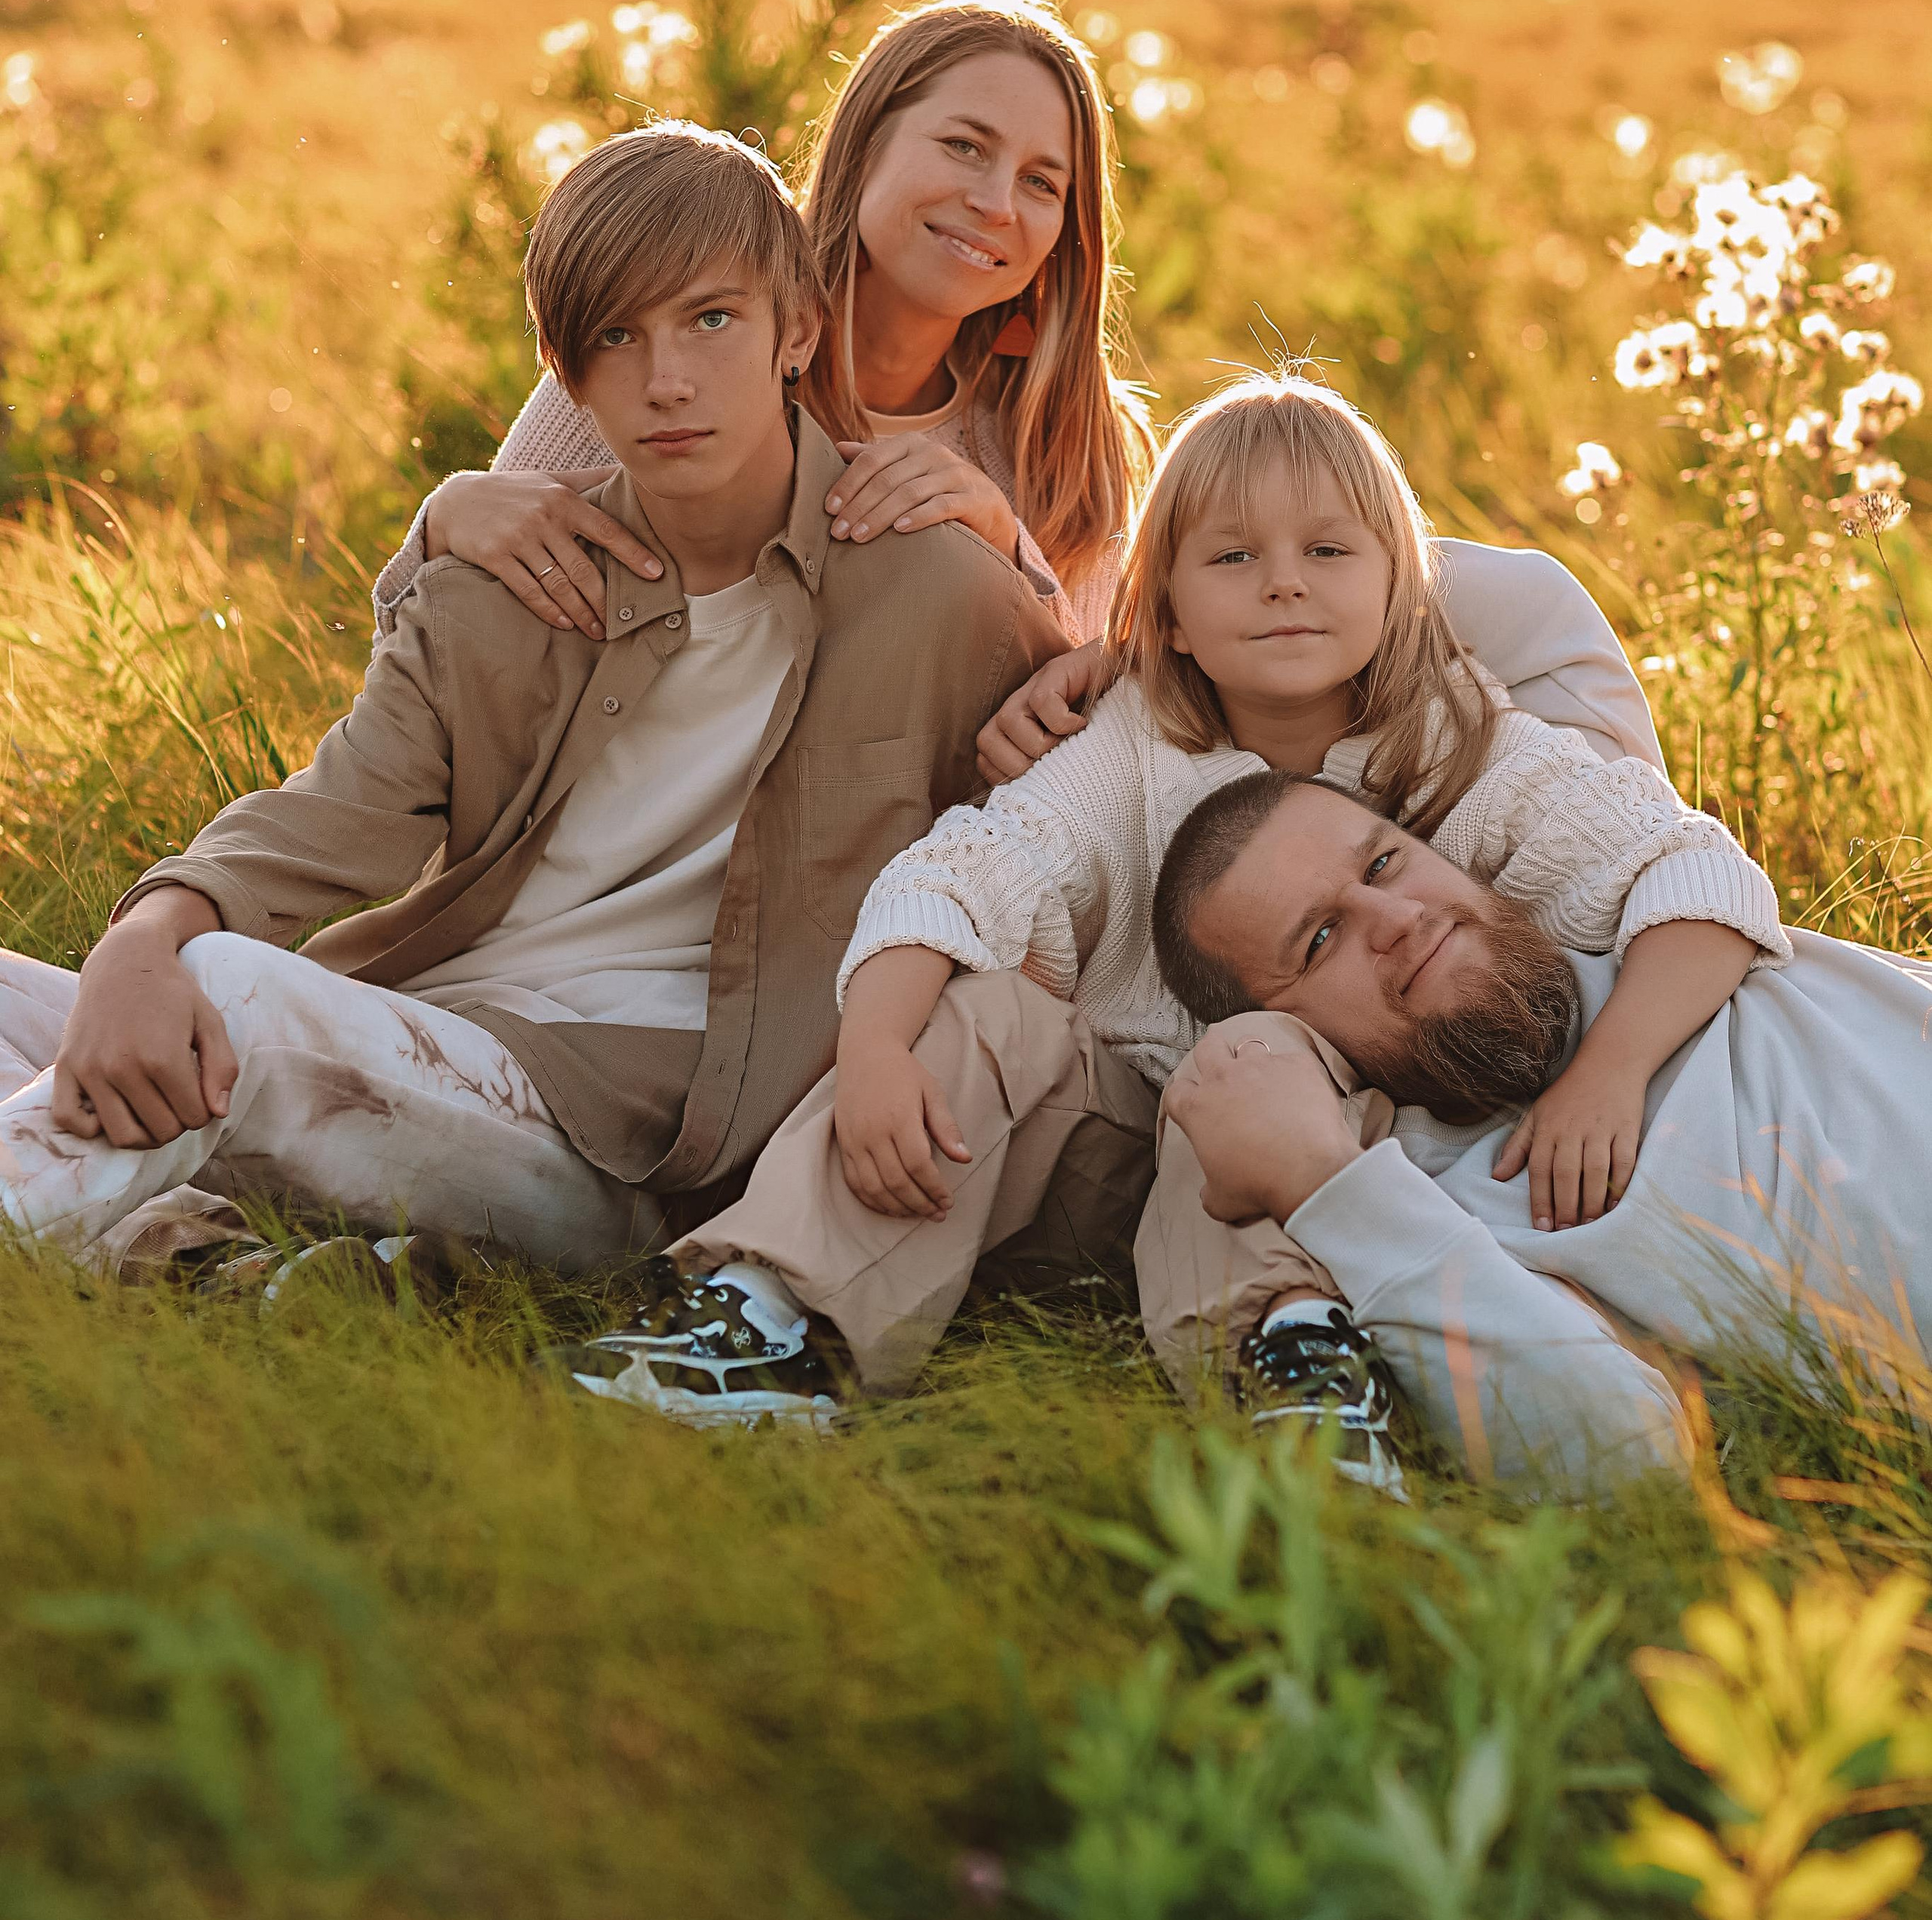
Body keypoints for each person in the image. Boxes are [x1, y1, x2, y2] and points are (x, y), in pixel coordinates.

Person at [578, 372, 1780, 1429]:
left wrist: (1606, 1072)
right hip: (1107, 1163)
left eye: (1327, 551)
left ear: (1400, 579)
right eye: (1233, 558)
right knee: (987, 1012)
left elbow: (1698, 875)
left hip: (1341, 1169)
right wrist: (881, 1041)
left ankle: (1297, 1369)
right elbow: (973, 872)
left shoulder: (1462, 743)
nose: (1283, 589)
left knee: (1259, 1061)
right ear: (1168, 610)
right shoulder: (1134, 741)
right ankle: (763, 1316)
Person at [0, 123, 1064, 1303]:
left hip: (637, 1137)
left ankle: (158, 1234)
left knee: (232, 995)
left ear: (797, 331)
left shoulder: (942, 591)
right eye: (619, 335)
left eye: (712, 320)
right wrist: (142, 941)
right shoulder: (511, 576)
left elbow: (1106, 794)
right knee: (75, 989)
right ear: (566, 369)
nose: (667, 381)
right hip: (416, 1041)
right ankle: (231, 1266)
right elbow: (332, 812)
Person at [1149, 763, 1932, 1497]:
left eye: (1384, 865)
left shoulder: (1668, 931)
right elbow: (1628, 1459)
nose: (1395, 920)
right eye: (1319, 941)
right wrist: (1327, 1186)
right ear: (1283, 1026)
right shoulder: (1440, 1218)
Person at [372, 0, 1156, 647]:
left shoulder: (1072, 440)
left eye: (1041, 183)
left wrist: (1003, 546)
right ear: (868, 140)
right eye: (963, 146)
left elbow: (1091, 730)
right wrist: (449, 517)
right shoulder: (677, 335)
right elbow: (436, 642)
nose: (993, 204)